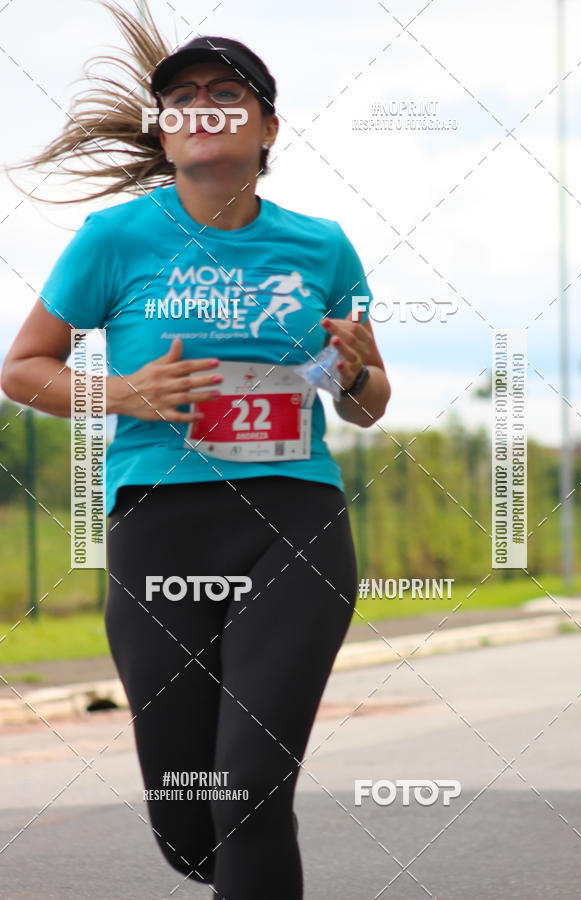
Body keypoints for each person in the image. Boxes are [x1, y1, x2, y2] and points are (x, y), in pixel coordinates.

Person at [1, 3, 391, 898]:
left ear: (267, 127)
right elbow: (23, 369)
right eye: (181, 98)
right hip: (161, 529)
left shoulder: (321, 246)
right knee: (190, 815)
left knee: (251, 792)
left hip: (294, 520)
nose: (203, 107)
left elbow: (366, 403)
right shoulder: (117, 240)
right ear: (165, 132)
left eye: (226, 93)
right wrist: (127, 394)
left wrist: (358, 372)